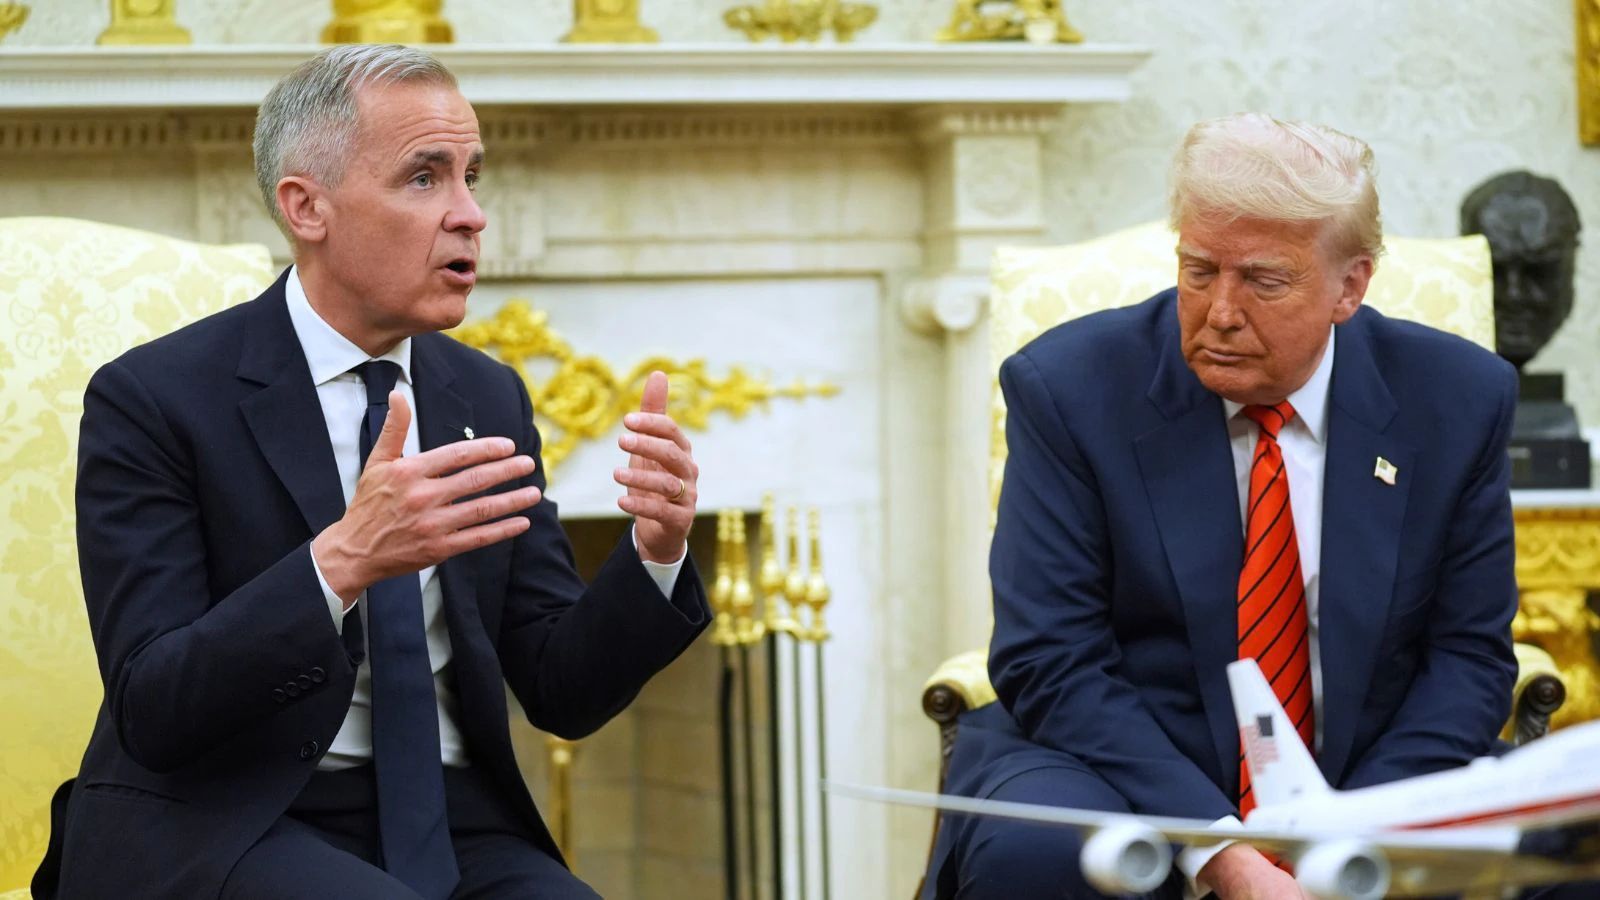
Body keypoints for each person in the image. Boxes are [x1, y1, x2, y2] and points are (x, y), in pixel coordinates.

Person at [35, 44, 708, 900]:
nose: (471, 215)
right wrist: (344, 560)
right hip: (226, 815)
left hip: (452, 823)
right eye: (425, 177)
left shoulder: (486, 395)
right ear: (307, 207)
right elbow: (153, 706)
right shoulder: (156, 398)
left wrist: (656, 552)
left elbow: (559, 689)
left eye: (471, 176)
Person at [922, 113, 1522, 899]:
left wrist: (1348, 838)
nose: (1221, 311)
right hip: (1118, 764)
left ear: (1350, 286)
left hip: (1370, 769)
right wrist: (1222, 851)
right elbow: (1051, 658)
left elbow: (1468, 658)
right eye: (1199, 270)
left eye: (1263, 281)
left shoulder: (1457, 398)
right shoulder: (1070, 387)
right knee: (1036, 855)